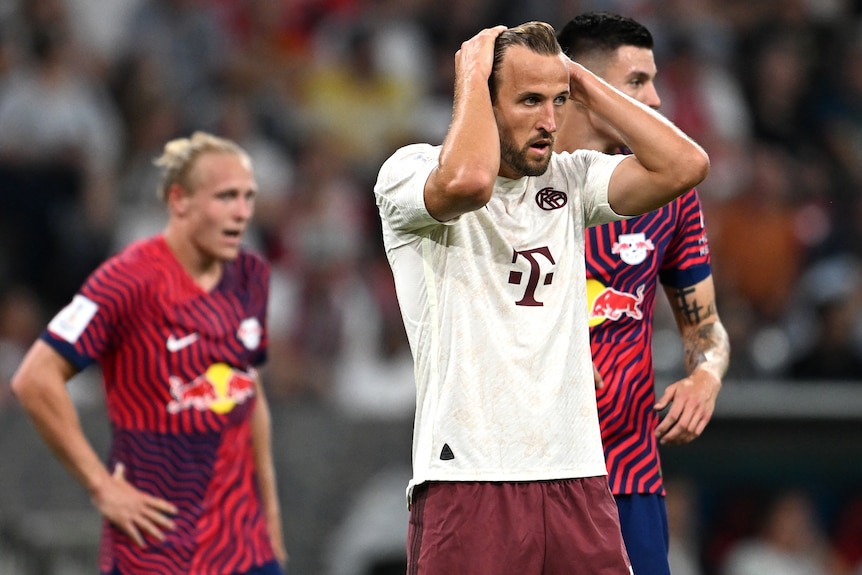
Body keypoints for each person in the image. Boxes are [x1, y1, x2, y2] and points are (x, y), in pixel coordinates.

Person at [373, 21, 709, 574]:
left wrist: (577, 77)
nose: (550, 121)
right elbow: (468, 183)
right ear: (479, 97)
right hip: (470, 475)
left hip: (577, 474)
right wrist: (472, 72)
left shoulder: (570, 181)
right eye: (529, 100)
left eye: (558, 102)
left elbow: (685, 166)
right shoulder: (408, 173)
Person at [10, 131, 287, 575]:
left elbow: (246, 392)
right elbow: (34, 379)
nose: (241, 212)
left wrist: (269, 512)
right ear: (180, 201)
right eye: (225, 197)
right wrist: (101, 486)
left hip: (242, 548)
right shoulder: (126, 280)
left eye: (247, 197)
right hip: (157, 549)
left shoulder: (250, 276)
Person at [555, 12, 731, 575]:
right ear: (583, 87)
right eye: (635, 82)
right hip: (523, 467)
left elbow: (705, 329)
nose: (654, 99)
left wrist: (706, 375)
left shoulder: (670, 197)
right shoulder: (512, 187)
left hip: (629, 473)